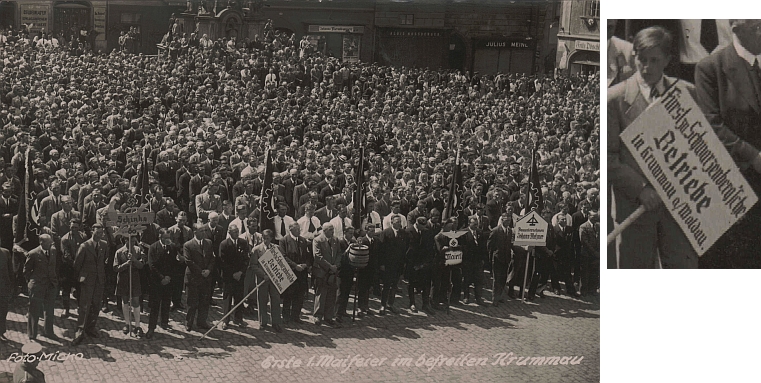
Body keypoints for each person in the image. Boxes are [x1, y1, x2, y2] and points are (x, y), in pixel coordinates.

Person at [608, 25, 698, 268]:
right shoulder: (614, 99)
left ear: (668, 60)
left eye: (654, 60)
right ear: (633, 56)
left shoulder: (688, 94)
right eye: (641, 59)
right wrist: (641, 190)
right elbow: (609, 158)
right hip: (635, 210)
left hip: (680, 213)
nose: (646, 68)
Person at [695, 19, 761, 268]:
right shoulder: (712, 67)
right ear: (736, 27)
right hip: (732, 185)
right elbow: (711, 126)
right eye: (757, 26)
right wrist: (754, 156)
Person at [72, 223, 107, 346]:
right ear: (92, 232)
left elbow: (103, 262)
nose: (99, 236)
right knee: (84, 307)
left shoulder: (104, 245)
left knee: (96, 305)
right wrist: (76, 283)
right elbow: (77, 265)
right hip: (87, 281)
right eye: (97, 233)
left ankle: (91, 327)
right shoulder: (84, 246)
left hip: (99, 280)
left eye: (101, 233)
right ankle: (80, 331)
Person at [181, 223, 215, 332]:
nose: (204, 233)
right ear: (195, 232)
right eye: (201, 231)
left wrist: (209, 270)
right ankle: (189, 322)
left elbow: (212, 259)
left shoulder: (209, 243)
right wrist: (201, 272)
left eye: (205, 231)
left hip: (206, 278)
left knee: (204, 301)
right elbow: (188, 261)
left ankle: (202, 321)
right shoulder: (188, 245)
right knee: (192, 302)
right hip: (193, 278)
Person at [24, 234, 58, 341]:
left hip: (50, 285)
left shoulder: (53, 251)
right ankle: (32, 335)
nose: (51, 245)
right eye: (48, 243)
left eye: (51, 243)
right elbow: (26, 271)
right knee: (34, 310)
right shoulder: (33, 254)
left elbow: (54, 266)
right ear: (41, 243)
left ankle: (49, 332)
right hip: (37, 286)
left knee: (49, 311)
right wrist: (32, 283)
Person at [250, 229, 283, 332]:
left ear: (272, 238)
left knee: (276, 301)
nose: (265, 241)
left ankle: (276, 323)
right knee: (262, 301)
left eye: (268, 239)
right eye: (264, 238)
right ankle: (263, 322)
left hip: (274, 281)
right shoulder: (256, 250)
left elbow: (281, 264)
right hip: (262, 280)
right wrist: (263, 275)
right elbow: (253, 265)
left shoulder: (276, 248)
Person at [145, 228, 176, 339]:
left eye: (169, 238)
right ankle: (151, 328)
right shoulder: (153, 247)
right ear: (160, 237)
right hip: (156, 282)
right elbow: (151, 265)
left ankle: (164, 322)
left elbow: (174, 264)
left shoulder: (172, 247)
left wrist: (168, 277)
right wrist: (162, 277)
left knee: (166, 303)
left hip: (168, 281)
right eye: (165, 238)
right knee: (155, 306)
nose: (168, 240)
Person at [218, 223, 249, 329]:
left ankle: (238, 319)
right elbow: (222, 262)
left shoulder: (243, 243)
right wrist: (233, 274)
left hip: (240, 276)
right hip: (228, 277)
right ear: (229, 232)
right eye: (234, 231)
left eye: (237, 231)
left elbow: (246, 260)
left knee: (239, 298)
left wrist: (240, 272)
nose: (237, 233)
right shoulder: (224, 244)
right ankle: (225, 320)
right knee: (227, 298)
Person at [278, 222, 310, 324]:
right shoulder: (284, 241)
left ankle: (295, 316)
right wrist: (295, 266)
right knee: (288, 296)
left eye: (299, 229)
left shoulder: (303, 240)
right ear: (291, 230)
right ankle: (286, 317)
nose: (299, 231)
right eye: (297, 229)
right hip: (290, 273)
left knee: (299, 296)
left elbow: (307, 255)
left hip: (301, 273)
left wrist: (306, 264)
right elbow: (283, 256)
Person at [114, 235, 145, 337]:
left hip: (135, 279)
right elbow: (115, 268)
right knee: (125, 300)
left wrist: (134, 260)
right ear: (125, 240)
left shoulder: (138, 250)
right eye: (130, 240)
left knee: (136, 301)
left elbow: (142, 265)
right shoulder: (119, 252)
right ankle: (127, 323)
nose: (132, 242)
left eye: (134, 240)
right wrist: (126, 264)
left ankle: (137, 325)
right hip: (123, 280)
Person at [312, 223, 341, 326]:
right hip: (322, 272)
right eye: (330, 230)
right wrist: (329, 266)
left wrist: (336, 265)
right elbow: (317, 256)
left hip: (333, 273)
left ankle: (328, 317)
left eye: (333, 229)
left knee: (331, 295)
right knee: (321, 294)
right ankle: (318, 316)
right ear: (324, 231)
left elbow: (339, 253)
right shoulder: (317, 240)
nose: (333, 232)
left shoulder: (335, 240)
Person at [378, 214, 408, 315]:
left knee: (394, 285)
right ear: (392, 222)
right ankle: (383, 305)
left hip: (398, 264)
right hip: (388, 264)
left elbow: (404, 249)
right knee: (386, 285)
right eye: (397, 222)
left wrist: (403, 263)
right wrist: (382, 264)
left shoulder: (403, 234)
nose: (399, 224)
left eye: (400, 222)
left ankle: (391, 304)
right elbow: (381, 250)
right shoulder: (386, 233)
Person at [405, 216, 435, 314]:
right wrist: (412, 263)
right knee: (412, 283)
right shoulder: (408, 232)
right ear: (417, 224)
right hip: (412, 263)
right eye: (422, 226)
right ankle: (412, 303)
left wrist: (425, 263)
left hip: (424, 264)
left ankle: (425, 304)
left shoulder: (427, 232)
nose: (424, 228)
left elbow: (430, 248)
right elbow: (405, 250)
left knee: (426, 284)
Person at [59, 218, 86, 319]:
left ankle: (80, 307)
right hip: (68, 268)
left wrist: (80, 265)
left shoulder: (83, 237)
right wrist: (74, 264)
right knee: (66, 289)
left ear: (79, 227)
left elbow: (85, 250)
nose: (74, 229)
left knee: (80, 289)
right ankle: (66, 308)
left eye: (76, 227)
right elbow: (66, 254)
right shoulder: (65, 239)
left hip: (80, 267)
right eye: (72, 227)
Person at [488, 211, 514, 307]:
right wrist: (493, 255)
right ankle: (495, 298)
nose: (508, 222)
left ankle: (500, 296)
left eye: (509, 220)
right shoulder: (495, 231)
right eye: (506, 220)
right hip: (497, 258)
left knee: (503, 279)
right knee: (497, 279)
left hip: (506, 259)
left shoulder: (510, 231)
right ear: (502, 220)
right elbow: (490, 245)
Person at [579, 210, 600, 297]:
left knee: (594, 273)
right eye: (593, 217)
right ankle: (584, 290)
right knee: (585, 273)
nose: (595, 218)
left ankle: (592, 290)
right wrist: (594, 252)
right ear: (588, 216)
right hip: (587, 254)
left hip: (596, 255)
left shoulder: (598, 226)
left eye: (596, 217)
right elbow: (584, 242)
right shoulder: (583, 227)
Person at [0, 240, 13, 342]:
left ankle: (1, 332)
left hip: (3, 288)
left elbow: (10, 271)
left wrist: (12, 285)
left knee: (3, 311)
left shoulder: (5, 252)